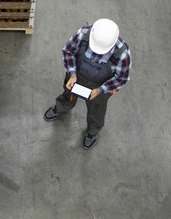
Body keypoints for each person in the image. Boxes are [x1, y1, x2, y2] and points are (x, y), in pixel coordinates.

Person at [44, 18, 131, 149]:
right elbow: (68, 52)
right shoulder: (82, 34)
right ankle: (61, 106)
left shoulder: (122, 54)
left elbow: (121, 79)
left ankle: (92, 131)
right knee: (68, 94)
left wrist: (100, 90)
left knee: (97, 110)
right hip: (76, 77)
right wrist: (72, 74)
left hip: (99, 88)